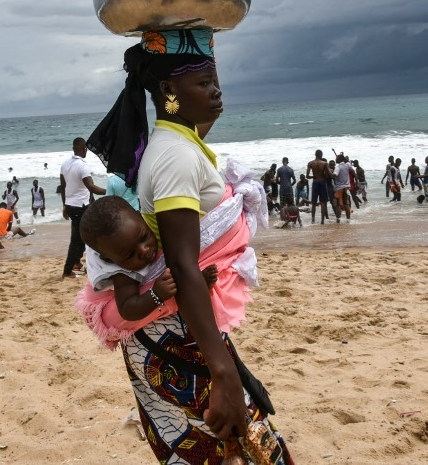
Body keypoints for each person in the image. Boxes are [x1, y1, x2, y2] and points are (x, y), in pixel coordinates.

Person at [82, 29, 292, 462]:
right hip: (176, 337)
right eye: (203, 83)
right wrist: (223, 373)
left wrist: (195, 58)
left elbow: (195, 118)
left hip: (171, 333)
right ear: (167, 90)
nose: (216, 92)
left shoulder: (178, 140)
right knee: (251, 452)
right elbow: (181, 264)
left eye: (216, 79)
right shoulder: (175, 155)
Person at [79, 196, 218, 321]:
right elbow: (127, 310)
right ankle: (198, 287)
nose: (144, 250)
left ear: (142, 218)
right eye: (130, 255)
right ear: (110, 260)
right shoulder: (123, 274)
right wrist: (156, 294)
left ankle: (197, 285)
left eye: (144, 237)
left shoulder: (150, 225)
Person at [60, 138, 106, 277]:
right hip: (81, 207)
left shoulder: (65, 164)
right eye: (86, 148)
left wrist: (64, 205)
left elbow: (63, 187)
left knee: (80, 236)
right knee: (79, 238)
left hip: (71, 205)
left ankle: (77, 263)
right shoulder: (83, 166)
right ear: (83, 148)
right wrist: (109, 190)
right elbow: (91, 186)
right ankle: (68, 270)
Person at [306, 150, 332, 224]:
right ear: (321, 155)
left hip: (315, 182)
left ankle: (313, 220)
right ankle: (322, 221)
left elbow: (307, 176)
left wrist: (313, 176)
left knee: (314, 202)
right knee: (323, 202)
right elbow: (329, 174)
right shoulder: (324, 163)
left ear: (315, 154)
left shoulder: (310, 163)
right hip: (323, 182)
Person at [333, 153, 352, 220]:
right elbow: (351, 169)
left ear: (339, 159)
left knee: (338, 204)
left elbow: (335, 175)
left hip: (339, 188)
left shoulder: (337, 167)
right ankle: (348, 219)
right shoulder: (347, 165)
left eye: (336, 158)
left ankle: (338, 220)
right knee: (346, 204)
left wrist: (329, 174)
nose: (335, 159)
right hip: (346, 187)